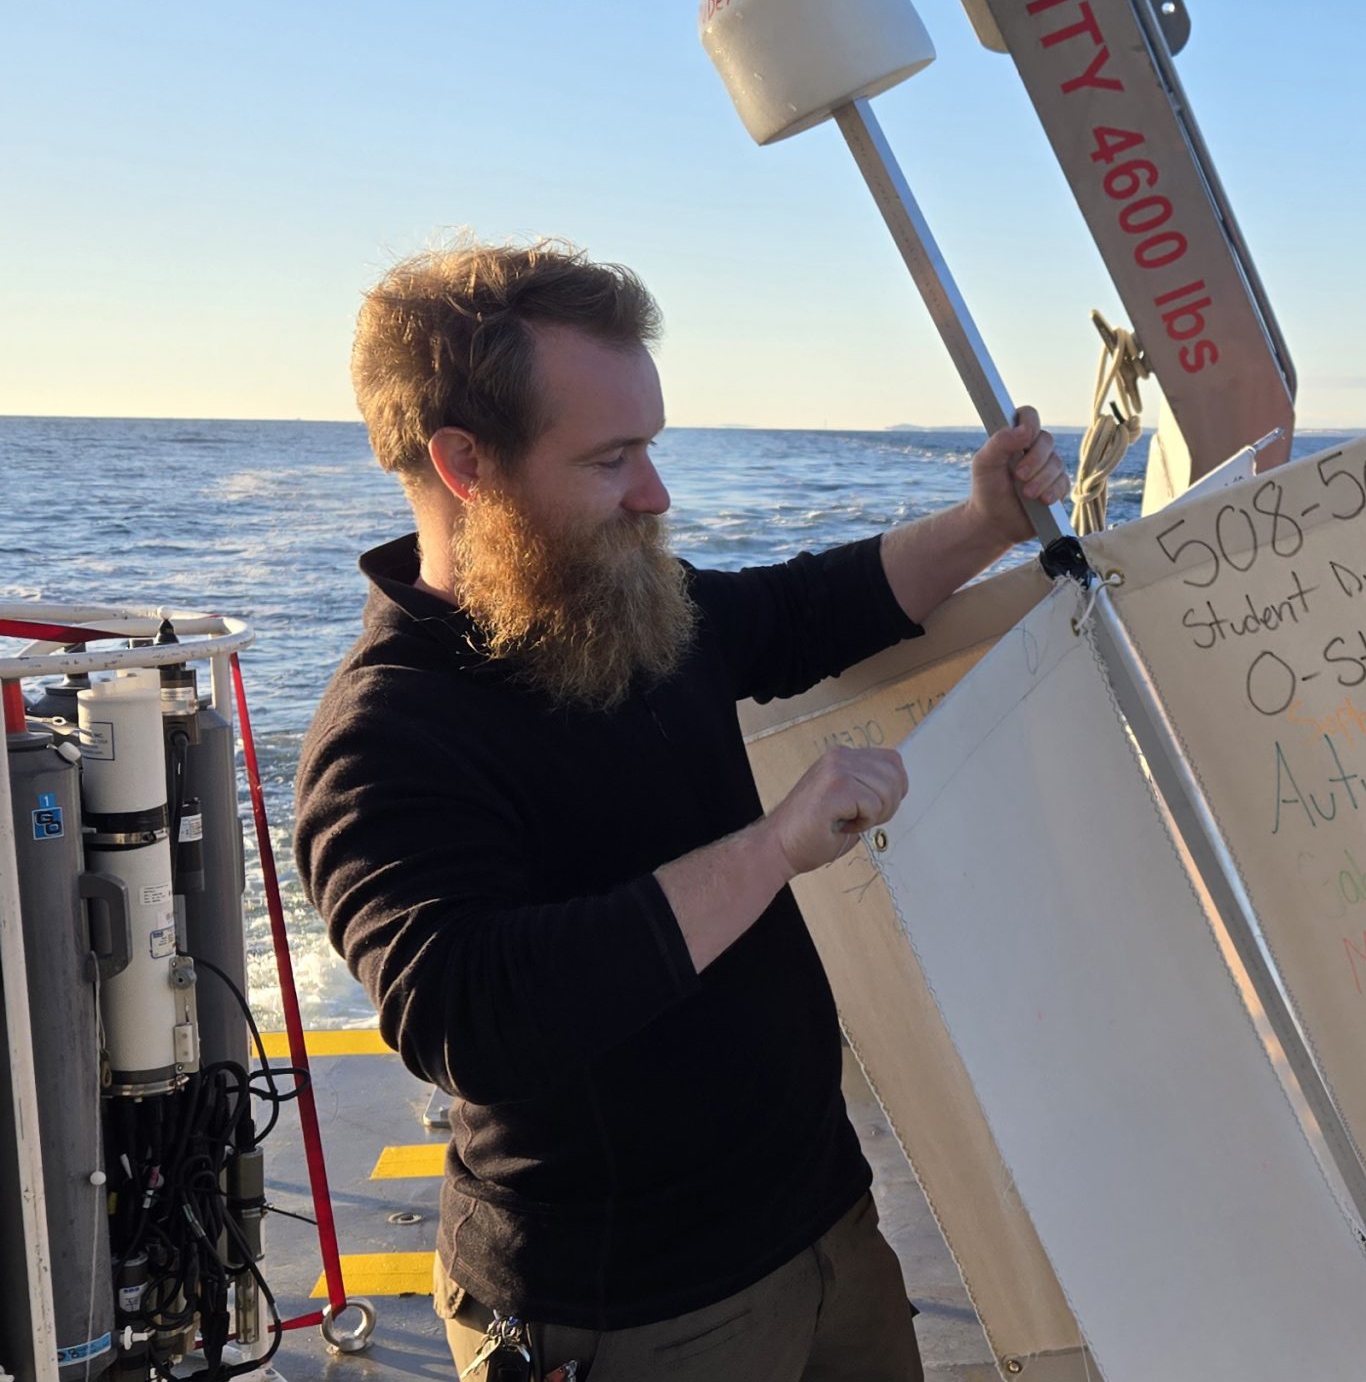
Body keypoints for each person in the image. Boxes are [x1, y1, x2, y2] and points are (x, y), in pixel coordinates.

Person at [294, 238, 1067, 1380]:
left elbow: (805, 610)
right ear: (465, 463)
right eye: (612, 459)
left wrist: (986, 522)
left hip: (825, 1225)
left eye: (651, 447)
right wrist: (771, 850)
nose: (655, 493)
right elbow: (470, 1015)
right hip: (627, 1308)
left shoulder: (613, 601)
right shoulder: (387, 732)